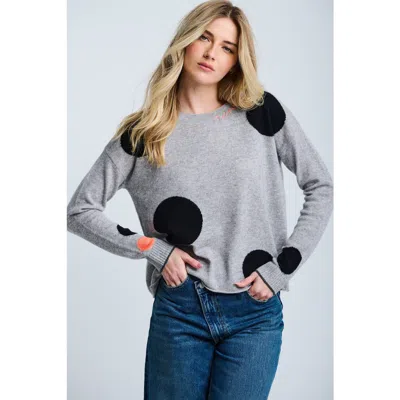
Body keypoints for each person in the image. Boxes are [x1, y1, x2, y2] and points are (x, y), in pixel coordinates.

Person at [67, 1, 333, 398]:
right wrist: (153, 249)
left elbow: (321, 185)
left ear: (236, 60)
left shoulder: (262, 113)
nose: (212, 53)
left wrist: (281, 269)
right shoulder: (144, 133)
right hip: (181, 309)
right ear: (185, 41)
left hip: (255, 313)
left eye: (227, 47)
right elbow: (79, 211)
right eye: (204, 38)